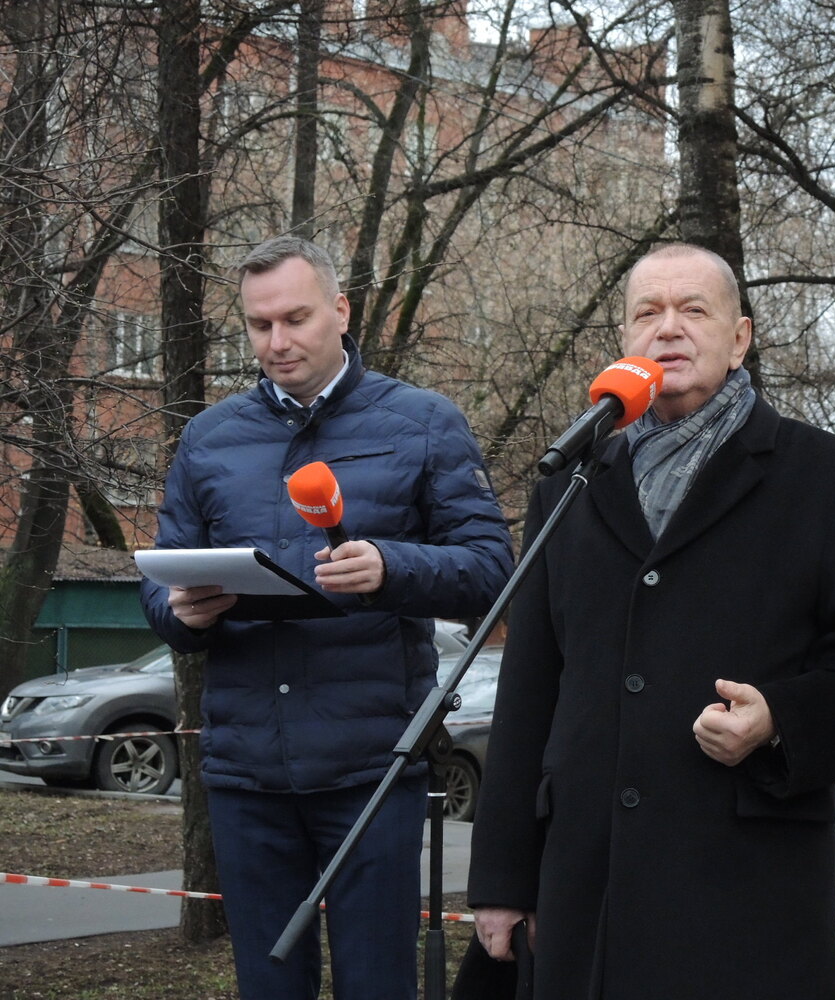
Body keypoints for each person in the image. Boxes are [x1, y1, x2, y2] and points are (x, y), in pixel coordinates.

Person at [466, 243, 835, 999]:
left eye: (693, 310)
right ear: (624, 341)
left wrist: (778, 718)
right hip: (583, 891)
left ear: (739, 339)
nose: (667, 328)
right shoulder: (571, 485)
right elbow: (528, 691)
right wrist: (503, 880)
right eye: (647, 312)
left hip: (740, 895)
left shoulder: (831, 482)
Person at [140, 236, 513, 1000]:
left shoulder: (422, 423)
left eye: (296, 318)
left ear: (341, 310)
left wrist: (391, 568)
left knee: (377, 984)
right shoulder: (209, 438)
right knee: (268, 986)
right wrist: (182, 612)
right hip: (245, 775)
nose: (276, 341)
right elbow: (159, 581)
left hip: (371, 772)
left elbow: (491, 571)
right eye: (259, 324)